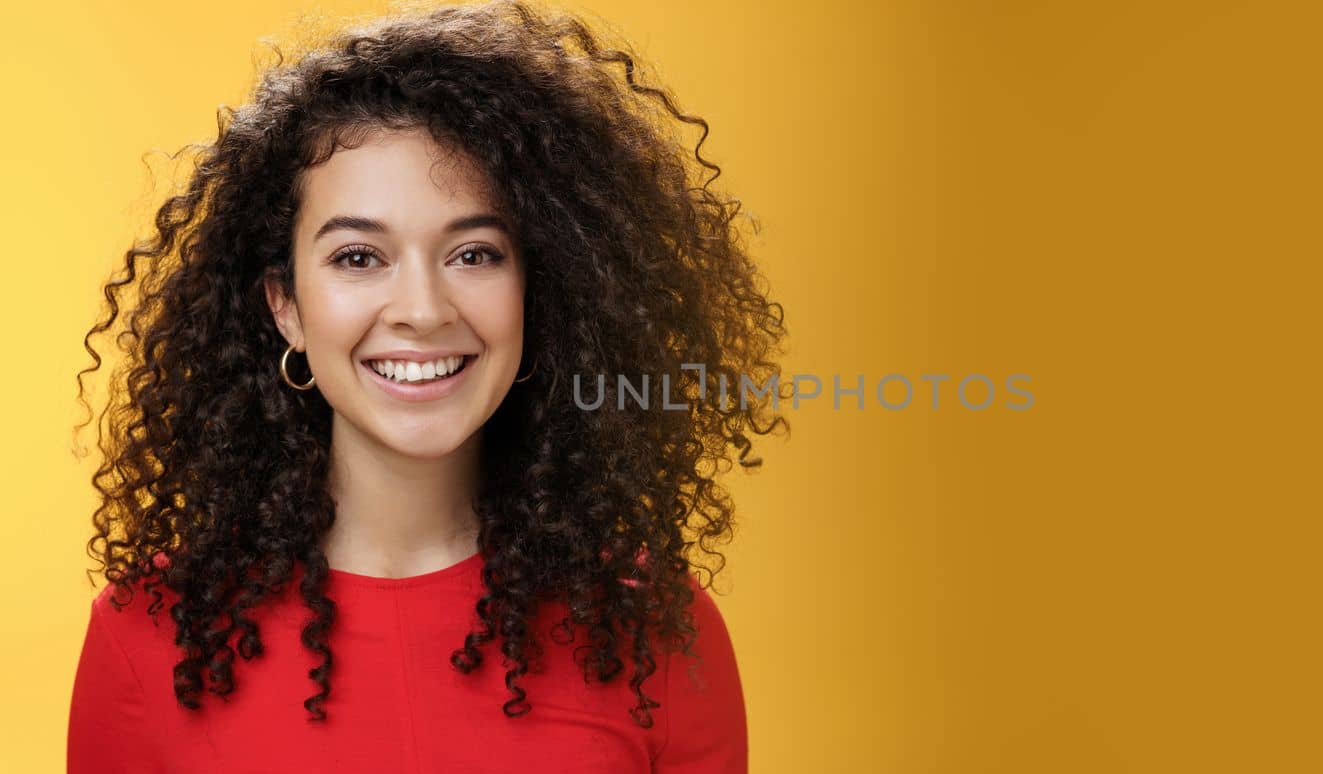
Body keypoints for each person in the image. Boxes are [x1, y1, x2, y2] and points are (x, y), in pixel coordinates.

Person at [65, 2, 788, 771]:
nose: (422, 311)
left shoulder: (652, 631)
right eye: (357, 258)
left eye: (474, 254)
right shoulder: (147, 637)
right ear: (286, 306)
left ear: (539, 292)